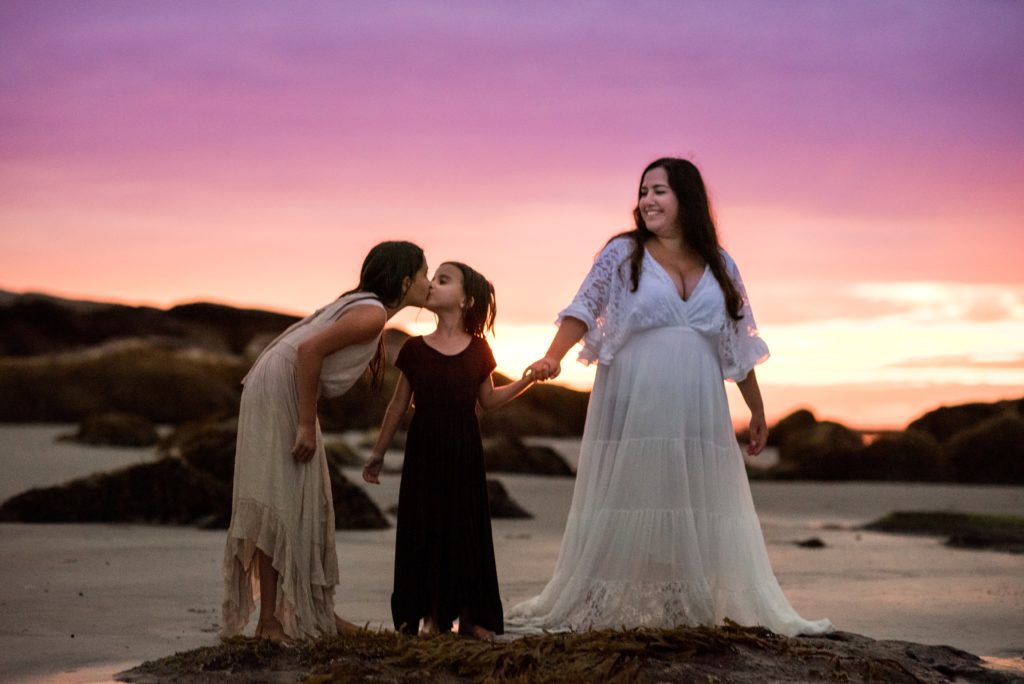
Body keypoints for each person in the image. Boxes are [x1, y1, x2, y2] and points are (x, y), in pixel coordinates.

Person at [506, 158, 832, 636]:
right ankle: (616, 605)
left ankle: (686, 606)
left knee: (695, 501)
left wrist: (757, 409)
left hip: (699, 401)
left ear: (687, 198)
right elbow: (584, 307)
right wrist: (553, 356)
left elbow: (736, 343)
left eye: (659, 191)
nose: (647, 201)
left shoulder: (721, 265)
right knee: (635, 495)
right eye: (643, 192)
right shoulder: (623, 253)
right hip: (636, 393)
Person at [221, 240, 431, 643]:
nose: (428, 282)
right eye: (425, 274)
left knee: (306, 499)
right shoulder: (370, 313)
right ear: (405, 281)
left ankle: (317, 612)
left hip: (279, 385)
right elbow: (309, 350)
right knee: (280, 500)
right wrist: (304, 423)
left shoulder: (367, 307)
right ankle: (270, 623)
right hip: (281, 389)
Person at [362, 261, 534, 640]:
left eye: (444, 280)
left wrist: (526, 380)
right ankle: (429, 618)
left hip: (465, 456)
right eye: (433, 279)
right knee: (424, 531)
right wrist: (377, 453)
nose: (433, 285)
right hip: (423, 453)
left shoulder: (478, 350)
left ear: (466, 299)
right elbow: (397, 405)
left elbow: (488, 401)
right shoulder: (414, 349)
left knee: (465, 533)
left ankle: (472, 618)